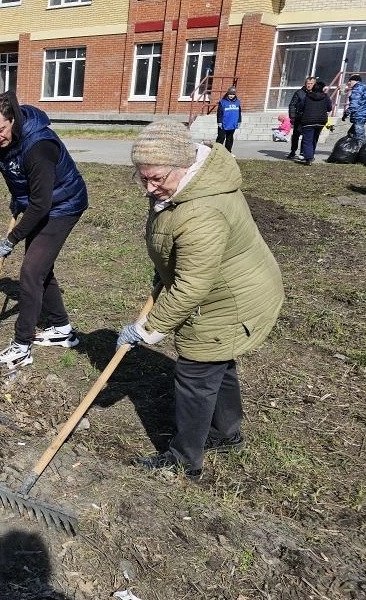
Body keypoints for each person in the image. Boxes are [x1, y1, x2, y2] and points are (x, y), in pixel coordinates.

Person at [119, 119, 284, 479]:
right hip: (230, 284)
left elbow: (192, 285)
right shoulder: (181, 187)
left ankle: (184, 460)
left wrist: (146, 329)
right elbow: (182, 251)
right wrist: (165, 269)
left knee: (196, 372)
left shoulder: (201, 211)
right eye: (142, 178)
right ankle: (226, 434)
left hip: (231, 299)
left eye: (156, 178)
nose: (149, 188)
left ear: (183, 165)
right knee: (217, 361)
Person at [0, 91, 88, 369]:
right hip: (41, 203)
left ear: (14, 120)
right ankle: (62, 329)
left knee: (30, 272)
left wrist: (12, 238)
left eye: (0, 130)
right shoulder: (1, 141)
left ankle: (21, 347)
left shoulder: (39, 145)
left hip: (63, 205)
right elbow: (15, 176)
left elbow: (41, 204)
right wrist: (17, 198)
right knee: (40, 268)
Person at [297, 79, 332, 166]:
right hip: (321, 121)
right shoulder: (325, 97)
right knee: (314, 139)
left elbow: (300, 107)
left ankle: (308, 158)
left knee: (307, 140)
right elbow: (329, 108)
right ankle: (311, 155)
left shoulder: (308, 96)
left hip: (308, 121)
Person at [286, 76, 315, 160]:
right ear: (305, 84)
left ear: (314, 84)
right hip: (299, 118)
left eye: (311, 83)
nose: (309, 85)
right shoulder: (299, 93)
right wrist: (292, 116)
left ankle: (303, 152)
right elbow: (292, 105)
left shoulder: (316, 94)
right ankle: (293, 151)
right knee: (296, 135)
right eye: (308, 83)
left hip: (309, 119)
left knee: (306, 136)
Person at [343, 74, 366, 141]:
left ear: (355, 81)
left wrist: (346, 113)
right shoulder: (364, 87)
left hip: (360, 114)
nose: (349, 83)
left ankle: (361, 145)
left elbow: (354, 104)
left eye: (350, 81)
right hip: (365, 112)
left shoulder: (357, 88)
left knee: (359, 135)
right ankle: (354, 145)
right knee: (351, 133)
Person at [215, 87, 241, 152]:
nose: (231, 96)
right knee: (221, 138)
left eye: (233, 94)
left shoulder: (237, 102)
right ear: (227, 93)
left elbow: (239, 112)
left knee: (229, 138)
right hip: (224, 124)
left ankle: (228, 152)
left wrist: (239, 121)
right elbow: (219, 113)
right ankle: (216, 151)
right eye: (230, 94)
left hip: (232, 123)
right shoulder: (223, 102)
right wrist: (219, 121)